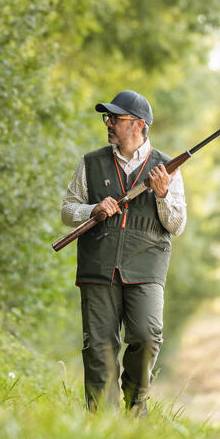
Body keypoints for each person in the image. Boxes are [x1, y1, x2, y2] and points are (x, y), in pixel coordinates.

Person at [61, 90, 186, 415]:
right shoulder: (90, 162)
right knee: (99, 349)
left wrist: (161, 195)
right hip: (98, 268)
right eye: (108, 118)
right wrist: (93, 209)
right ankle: (102, 421)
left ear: (139, 124)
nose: (109, 123)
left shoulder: (167, 167)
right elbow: (67, 210)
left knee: (146, 337)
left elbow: (177, 224)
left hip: (146, 268)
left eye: (116, 118)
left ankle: (135, 407)